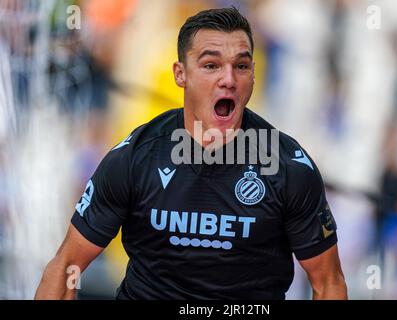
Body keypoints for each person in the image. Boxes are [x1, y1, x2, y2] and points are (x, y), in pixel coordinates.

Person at [35, 7, 347, 300]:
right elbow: (66, 266)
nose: (228, 79)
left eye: (241, 66)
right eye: (211, 65)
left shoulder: (288, 167)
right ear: (180, 74)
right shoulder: (134, 158)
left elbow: (328, 282)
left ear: (253, 74)